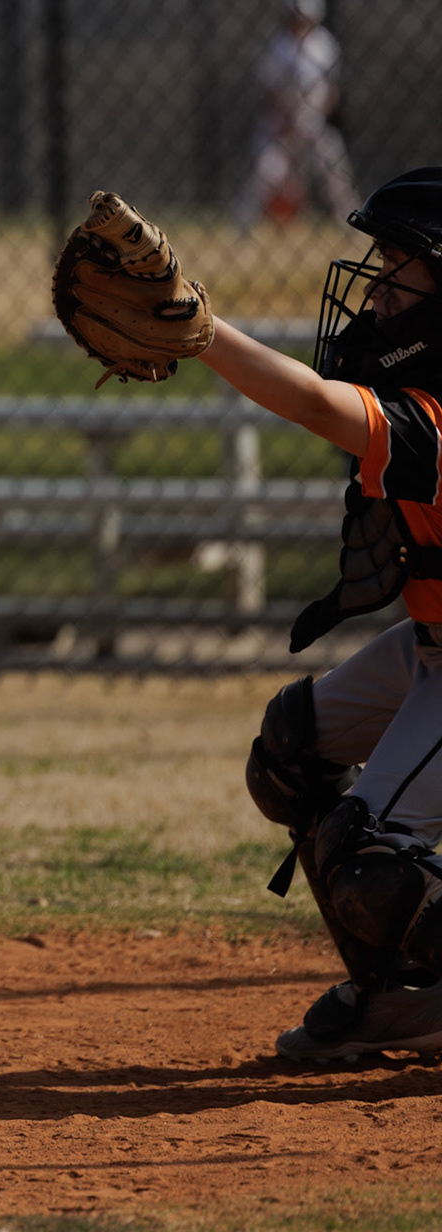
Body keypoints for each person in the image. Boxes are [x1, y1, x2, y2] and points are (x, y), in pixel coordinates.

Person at [213, 167, 442, 1060]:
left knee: (373, 859)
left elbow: (315, 404)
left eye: (399, 267)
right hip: (431, 646)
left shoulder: (436, 416)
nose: (376, 287)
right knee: (291, 752)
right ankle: (398, 996)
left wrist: (200, 333)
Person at [232, 0, 359, 231]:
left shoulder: (324, 43)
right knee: (266, 171)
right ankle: (242, 225)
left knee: (334, 171)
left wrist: (320, 117)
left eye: (305, 16)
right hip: (280, 122)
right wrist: (281, 119)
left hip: (314, 120)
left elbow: (331, 89)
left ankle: (350, 224)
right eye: (296, 15)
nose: (300, 21)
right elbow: (267, 89)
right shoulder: (279, 45)